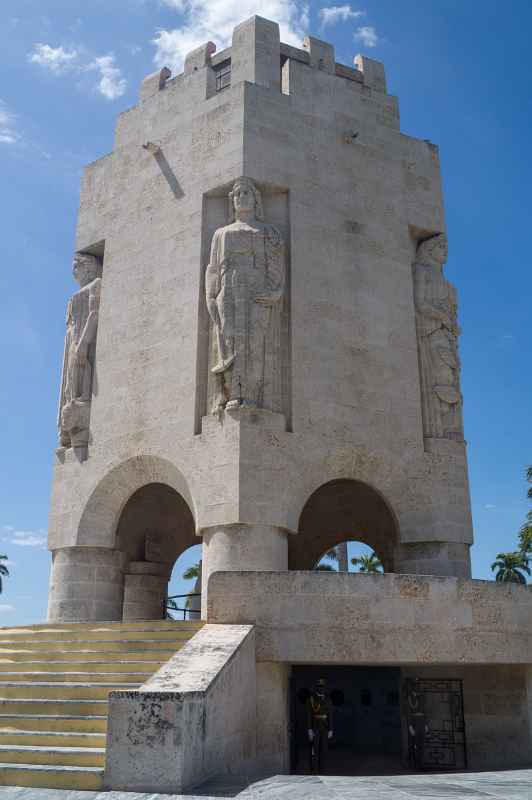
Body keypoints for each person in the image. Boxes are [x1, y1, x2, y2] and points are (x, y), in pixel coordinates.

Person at [205, 177, 285, 412]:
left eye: (246, 193)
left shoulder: (267, 230)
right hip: (228, 289)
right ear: (232, 201)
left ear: (255, 199)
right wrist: (211, 295)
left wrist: (276, 291)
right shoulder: (221, 233)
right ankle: (230, 393)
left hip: (257, 289)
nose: (241, 197)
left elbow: (276, 262)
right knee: (229, 341)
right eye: (237, 194)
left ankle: (252, 395)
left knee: (255, 342)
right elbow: (212, 267)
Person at [306, 678, 334, 774]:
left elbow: (330, 714)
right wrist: (309, 729)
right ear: (316, 687)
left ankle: (323, 771)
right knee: (314, 750)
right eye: (319, 686)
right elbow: (309, 714)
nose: (321, 688)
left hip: (325, 727)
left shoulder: (327, 699)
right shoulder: (312, 699)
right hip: (315, 727)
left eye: (322, 686)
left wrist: (331, 729)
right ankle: (314, 771)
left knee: (324, 750)